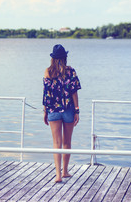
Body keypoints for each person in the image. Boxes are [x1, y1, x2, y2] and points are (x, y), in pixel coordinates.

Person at [43, 44, 81, 183]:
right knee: (67, 142)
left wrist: (45, 111)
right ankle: (65, 171)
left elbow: (46, 94)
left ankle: (58, 175)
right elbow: (74, 92)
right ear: (65, 57)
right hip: (68, 109)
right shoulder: (71, 71)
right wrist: (77, 110)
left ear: (53, 58)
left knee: (56, 143)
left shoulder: (48, 72)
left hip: (53, 110)